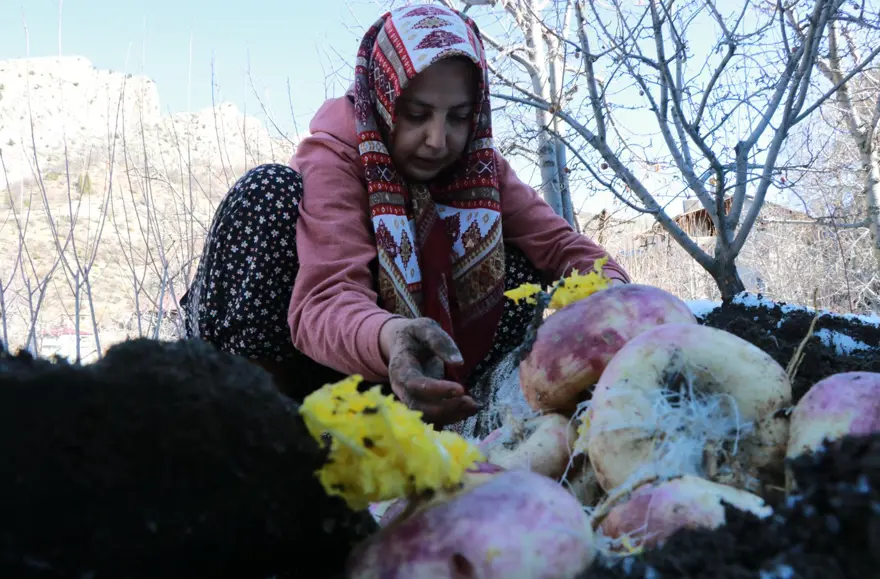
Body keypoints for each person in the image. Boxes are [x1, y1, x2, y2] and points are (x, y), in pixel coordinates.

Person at [180, 3, 630, 435]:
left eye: (457, 117)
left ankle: (452, 410)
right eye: (416, 115)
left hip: (397, 378)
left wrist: (627, 304)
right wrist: (392, 336)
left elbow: (560, 246)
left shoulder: (482, 168)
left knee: (517, 269)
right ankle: (257, 425)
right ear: (383, 96)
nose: (439, 140)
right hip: (312, 368)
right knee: (266, 195)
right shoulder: (336, 156)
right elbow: (326, 295)